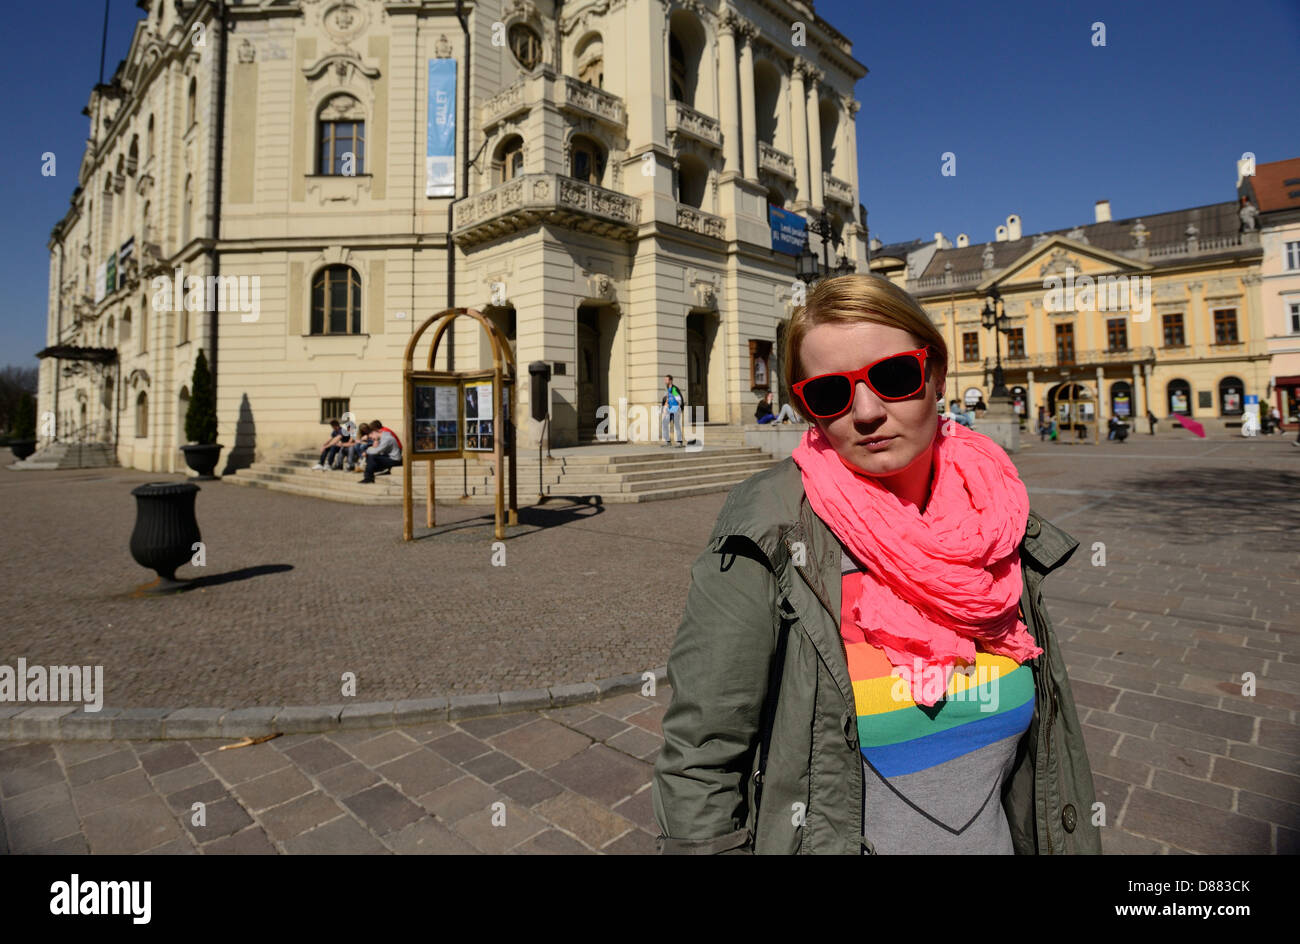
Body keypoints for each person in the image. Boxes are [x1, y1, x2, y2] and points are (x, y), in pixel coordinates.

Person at [652, 273, 1100, 855]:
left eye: (892, 377)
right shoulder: (769, 527)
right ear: (807, 410)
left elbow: (1045, 767)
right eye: (830, 393)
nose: (865, 412)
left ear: (936, 374)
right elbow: (701, 754)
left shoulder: (992, 517)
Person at [359, 418, 403, 484]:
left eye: (371, 437)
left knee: (372, 456)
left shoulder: (387, 438)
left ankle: (368, 478)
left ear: (374, 432)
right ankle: (369, 474)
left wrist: (367, 451)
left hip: (394, 460)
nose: (372, 439)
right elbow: (378, 450)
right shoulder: (383, 437)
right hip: (388, 457)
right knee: (372, 457)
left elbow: (377, 451)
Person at [662, 374, 686, 447]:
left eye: (666, 380)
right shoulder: (668, 389)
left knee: (676, 425)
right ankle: (668, 441)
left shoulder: (674, 389)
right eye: (665, 379)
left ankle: (679, 442)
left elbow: (679, 400)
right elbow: (668, 399)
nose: (665, 381)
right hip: (670, 409)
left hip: (675, 409)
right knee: (664, 423)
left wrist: (678, 409)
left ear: (670, 380)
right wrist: (666, 404)